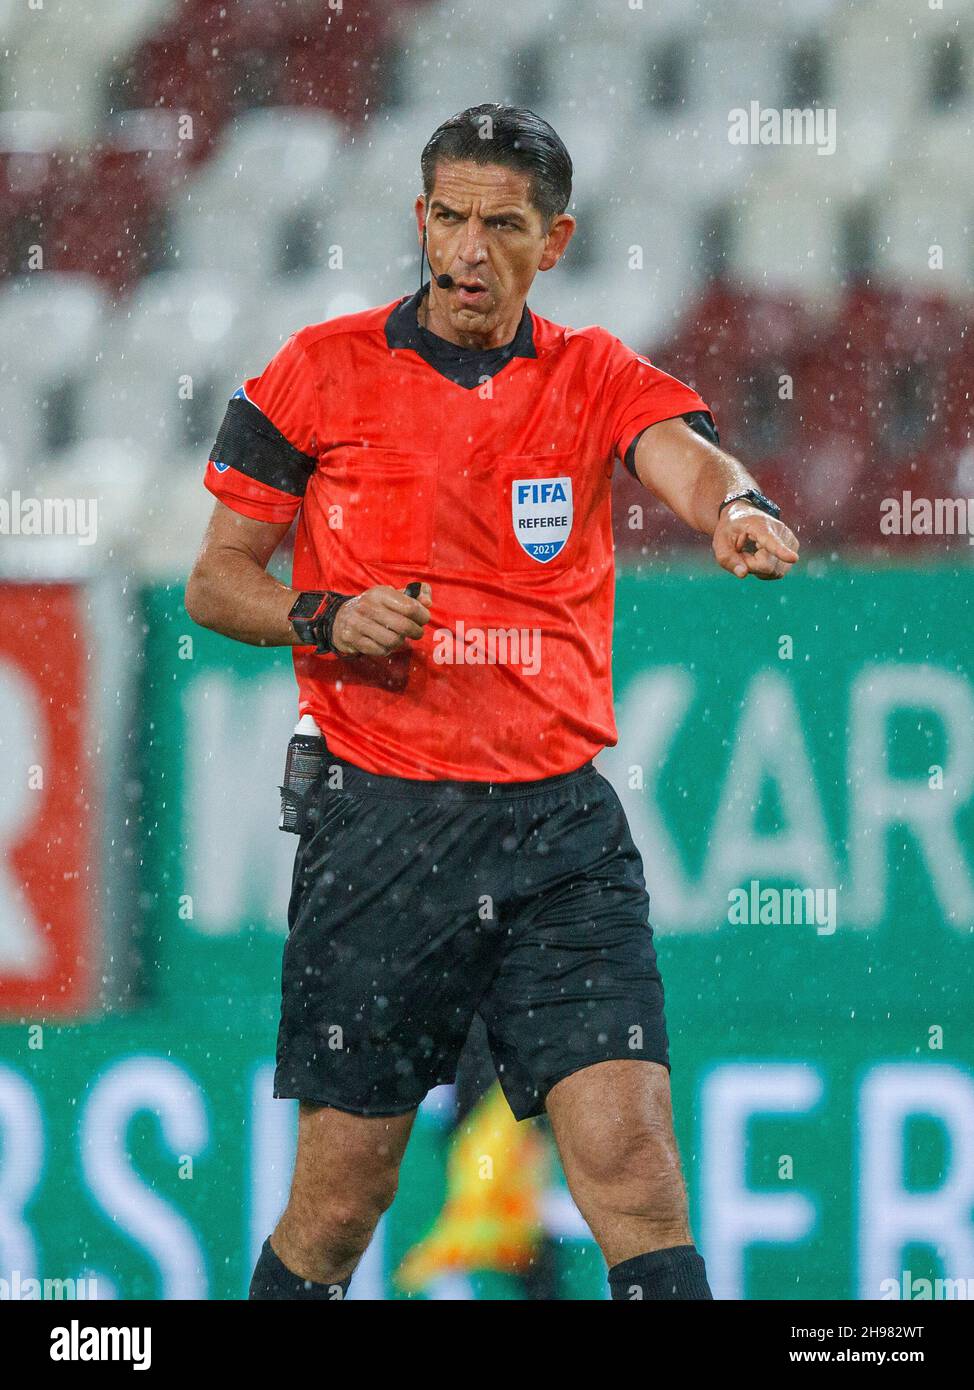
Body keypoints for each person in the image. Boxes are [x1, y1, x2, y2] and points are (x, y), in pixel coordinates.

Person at [185, 103, 800, 1301]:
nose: (469, 250)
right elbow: (215, 581)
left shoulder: (590, 372)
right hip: (379, 831)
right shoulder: (316, 371)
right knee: (339, 1202)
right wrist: (323, 616)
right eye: (450, 219)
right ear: (420, 219)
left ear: (552, 240)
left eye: (501, 225)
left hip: (556, 837)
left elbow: (683, 451)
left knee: (630, 1168)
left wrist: (733, 507)